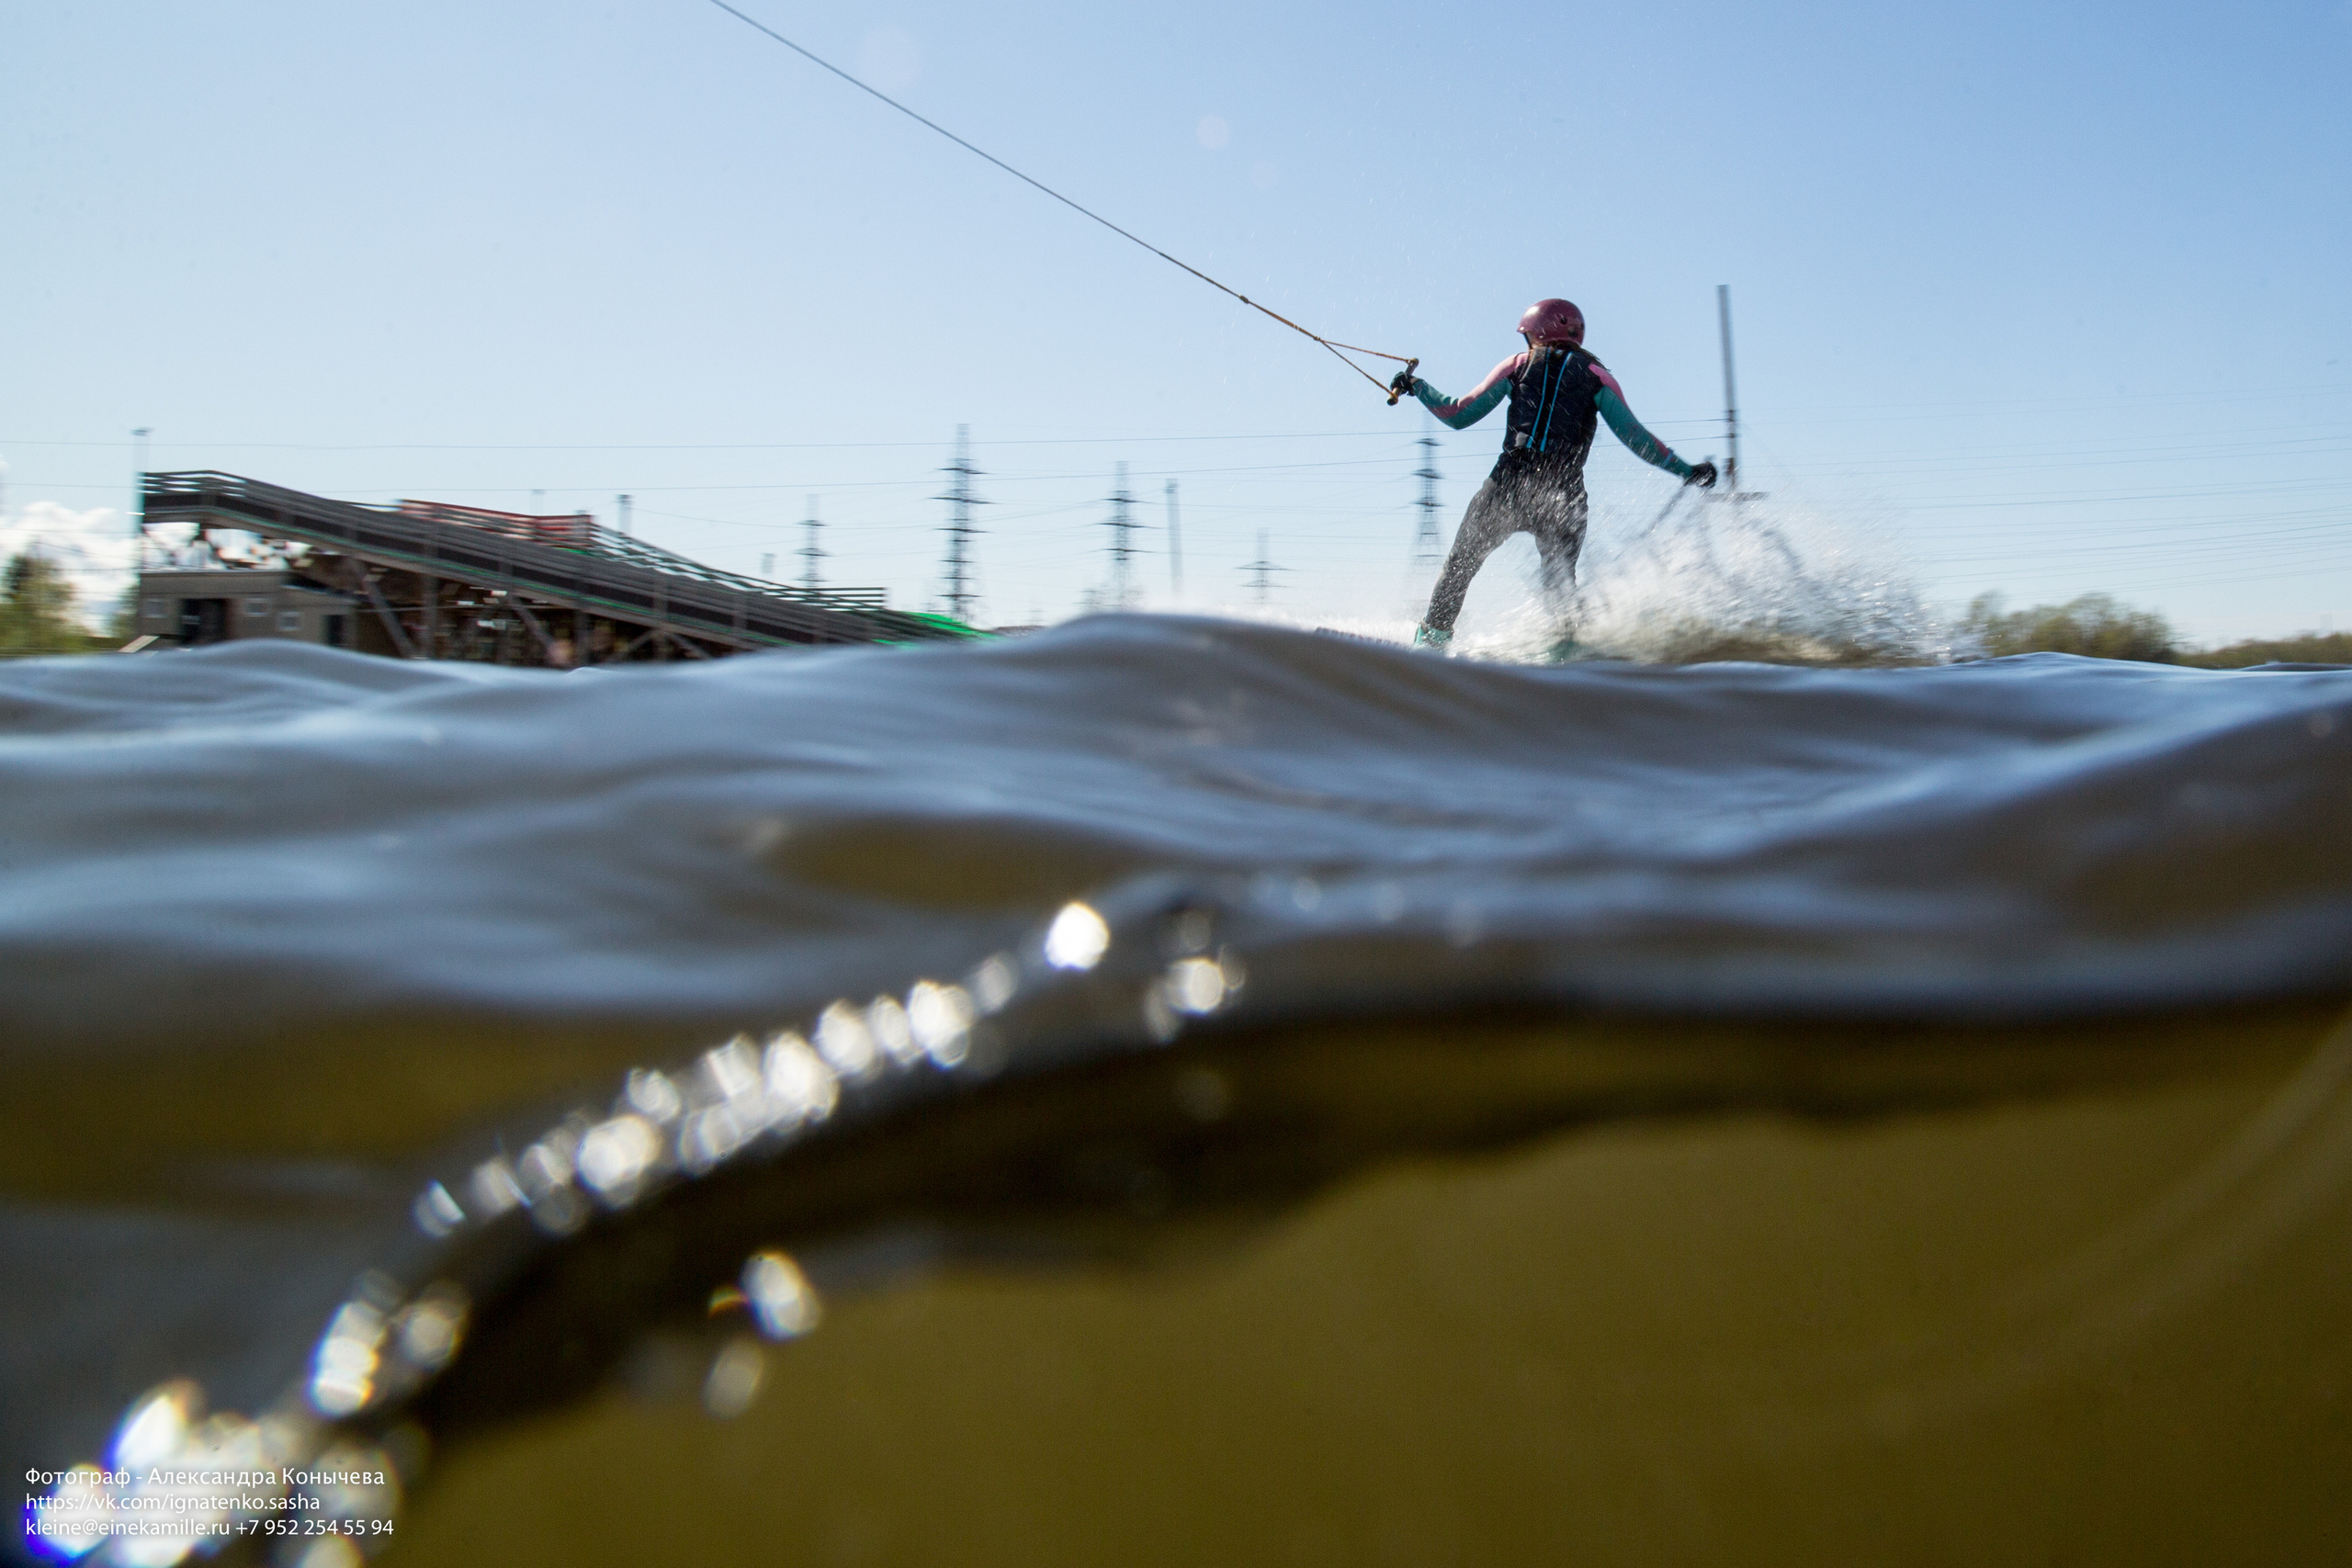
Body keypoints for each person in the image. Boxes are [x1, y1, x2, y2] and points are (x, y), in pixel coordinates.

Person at [1391, 298, 1716, 649]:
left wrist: (1417, 386)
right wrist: (1686, 470)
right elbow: (1636, 438)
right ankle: (1566, 652)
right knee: (1559, 585)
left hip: (1508, 487)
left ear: (1535, 333)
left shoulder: (1518, 365)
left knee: (1461, 565)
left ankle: (1432, 643)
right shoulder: (1598, 377)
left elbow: (1457, 414)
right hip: (1564, 494)